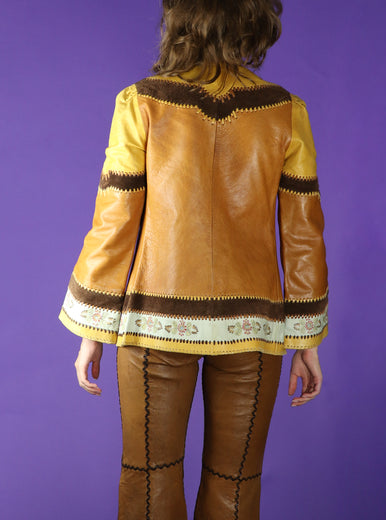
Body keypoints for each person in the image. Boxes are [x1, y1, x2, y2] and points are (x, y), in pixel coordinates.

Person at [58, 0, 329, 518]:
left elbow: (115, 219)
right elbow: (303, 233)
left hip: (153, 323)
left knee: (149, 483)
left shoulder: (140, 102)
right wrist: (306, 339)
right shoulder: (285, 110)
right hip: (255, 328)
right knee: (236, 486)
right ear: (253, 20)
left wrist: (91, 329)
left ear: (179, 18)